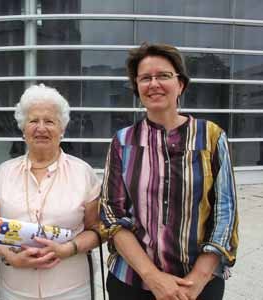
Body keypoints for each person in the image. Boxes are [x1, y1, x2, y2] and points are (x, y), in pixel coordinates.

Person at [99, 43, 239, 300]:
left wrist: (195, 282)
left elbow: (224, 213)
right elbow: (112, 214)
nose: (154, 84)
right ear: (137, 88)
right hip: (132, 283)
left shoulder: (210, 136)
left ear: (181, 85)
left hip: (198, 285)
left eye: (163, 75)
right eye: (145, 78)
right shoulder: (123, 141)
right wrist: (153, 278)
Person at [0, 83, 102, 300]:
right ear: (23, 128)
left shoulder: (83, 173)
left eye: (50, 121)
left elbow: (97, 229)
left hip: (71, 290)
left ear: (62, 128)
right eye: (33, 121)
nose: (41, 128)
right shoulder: (3, 173)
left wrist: (69, 248)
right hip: (14, 287)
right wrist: (10, 256)